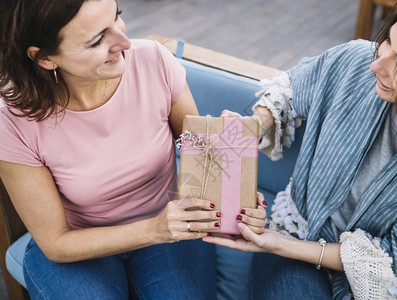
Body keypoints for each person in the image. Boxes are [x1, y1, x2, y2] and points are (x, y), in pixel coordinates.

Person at [0, 0, 267, 299]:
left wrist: (230, 167)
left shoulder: (153, 61)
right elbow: (56, 243)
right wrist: (155, 229)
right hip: (78, 245)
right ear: (46, 58)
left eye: (118, 18)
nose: (124, 42)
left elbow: (198, 152)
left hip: (172, 228)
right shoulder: (12, 122)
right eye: (98, 39)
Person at [203, 0, 397, 299]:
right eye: (386, 40)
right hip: (293, 241)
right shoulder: (354, 62)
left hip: (375, 285)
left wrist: (277, 244)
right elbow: (290, 87)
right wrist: (254, 125)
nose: (376, 63)